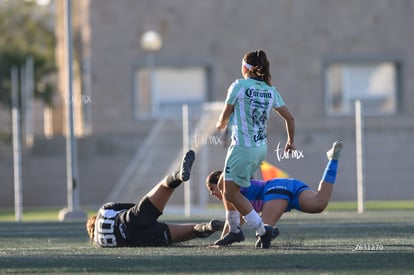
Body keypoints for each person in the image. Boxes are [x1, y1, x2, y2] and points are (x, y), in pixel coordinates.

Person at [215, 49, 296, 247]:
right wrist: (290, 141)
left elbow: (225, 116)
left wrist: (220, 124)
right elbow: (290, 118)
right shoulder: (271, 90)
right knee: (222, 185)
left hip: (243, 148)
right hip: (260, 149)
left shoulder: (239, 86)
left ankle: (261, 230)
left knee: (231, 193)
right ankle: (234, 229)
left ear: (246, 68)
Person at [206, 140, 343, 248]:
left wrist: (221, 243)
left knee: (263, 237)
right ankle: (333, 159)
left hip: (275, 191)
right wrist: (223, 240)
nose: (213, 193)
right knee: (319, 203)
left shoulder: (230, 188)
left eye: (212, 188)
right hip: (289, 186)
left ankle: (269, 231)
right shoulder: (236, 196)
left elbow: (233, 225)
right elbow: (236, 222)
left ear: (220, 182)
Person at [86, 150, 224, 247]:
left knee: (193, 231)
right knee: (165, 187)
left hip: (140, 240)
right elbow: (131, 206)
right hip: (130, 220)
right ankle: (179, 176)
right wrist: (150, 210)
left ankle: (208, 226)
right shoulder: (104, 210)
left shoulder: (100, 242)